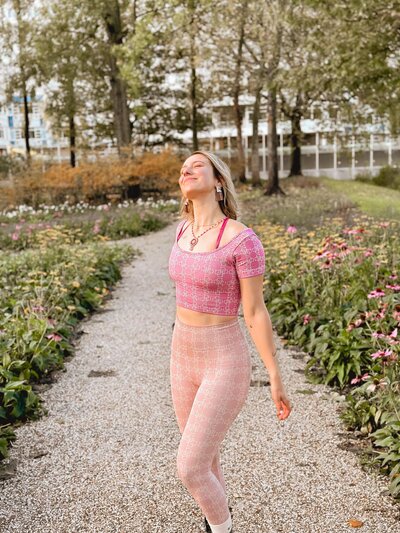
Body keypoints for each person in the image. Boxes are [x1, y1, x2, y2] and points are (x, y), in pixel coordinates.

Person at [168, 150, 291, 533]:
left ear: (218, 182)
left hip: (224, 358)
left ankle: (222, 527)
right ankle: (216, 520)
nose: (186, 169)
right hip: (181, 355)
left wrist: (274, 375)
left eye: (197, 165)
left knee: (189, 467)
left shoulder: (243, 241)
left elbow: (255, 312)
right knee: (206, 459)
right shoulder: (181, 231)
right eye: (183, 167)